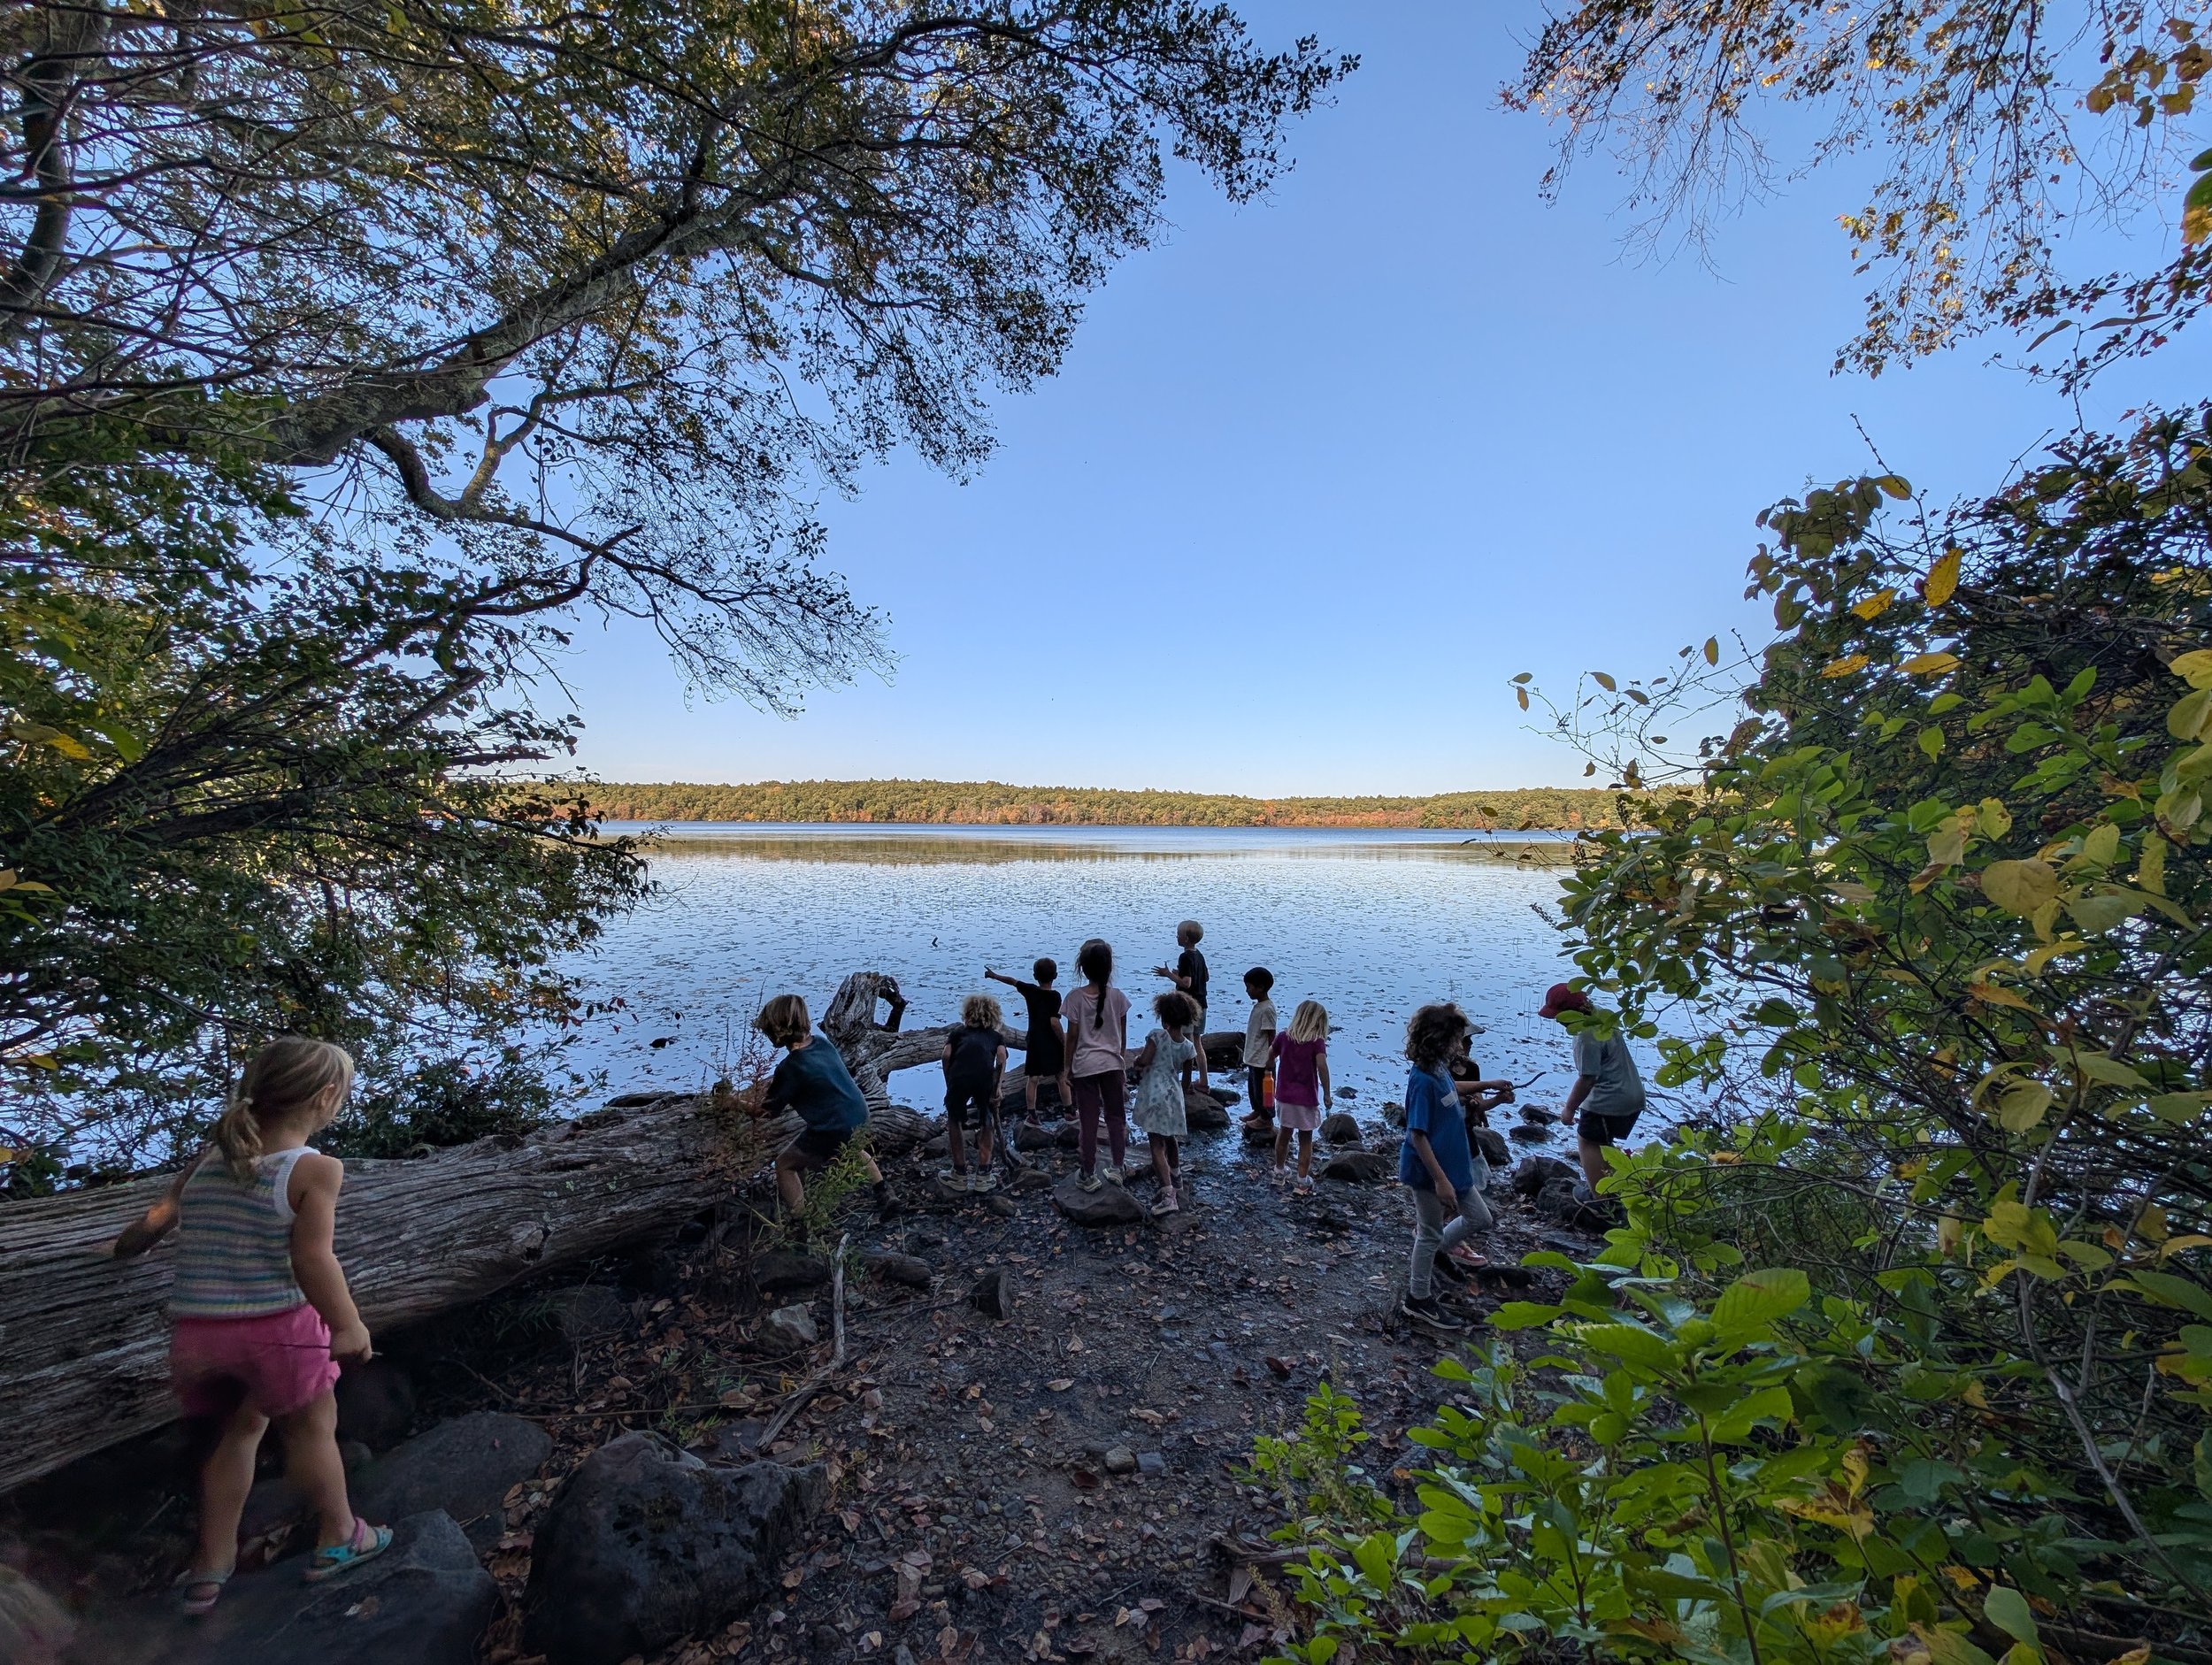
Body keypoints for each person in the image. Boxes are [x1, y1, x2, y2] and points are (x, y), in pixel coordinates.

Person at [111, 1037, 391, 1615]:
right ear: (327, 1097)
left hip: (199, 1337)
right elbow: (313, 1258)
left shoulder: (209, 1162)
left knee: (234, 1437)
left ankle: (209, 1568)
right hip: (276, 1332)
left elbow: (155, 1222)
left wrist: (125, 1244)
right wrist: (348, 1325)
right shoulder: (315, 1169)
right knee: (310, 1430)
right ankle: (340, 1535)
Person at [754, 994, 897, 1229]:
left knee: (785, 1164)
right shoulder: (821, 1043)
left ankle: (801, 1223)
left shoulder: (790, 1067)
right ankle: (884, 1191)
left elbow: (767, 1112)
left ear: (778, 1031)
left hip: (832, 1127)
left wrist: (734, 1104)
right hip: (859, 1113)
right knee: (851, 1144)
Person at [1395, 1002, 1496, 1331]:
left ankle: (1432, 1252)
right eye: (1456, 1037)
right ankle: (1418, 1299)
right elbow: (1417, 1135)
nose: (1460, 1043)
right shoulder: (1422, 1081)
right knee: (1428, 1233)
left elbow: (1455, 1090)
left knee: (1481, 1218)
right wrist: (1440, 1181)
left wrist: (1488, 1085)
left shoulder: (1440, 1069)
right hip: (1428, 1173)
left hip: (1456, 1169)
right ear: (1440, 1039)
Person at [1540, 982, 1647, 1190]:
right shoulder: (1603, 1017)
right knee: (1604, 1145)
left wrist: (1569, 1109)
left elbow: (1588, 1078)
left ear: (1571, 1014)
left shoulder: (1586, 1036)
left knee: (1588, 1140)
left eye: (1560, 1016)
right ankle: (1620, 1188)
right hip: (1633, 1094)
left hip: (1610, 1100)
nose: (1559, 1022)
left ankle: (1600, 1197)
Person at [1062, 938, 1133, 1192]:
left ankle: (1088, 1173)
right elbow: (1122, 1036)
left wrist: (1067, 1067)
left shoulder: (1075, 998)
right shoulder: (1119, 998)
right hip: (1113, 1064)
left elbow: (1072, 1037)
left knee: (1089, 1121)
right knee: (1116, 1118)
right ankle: (1117, 1167)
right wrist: (1120, 1058)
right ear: (1109, 968)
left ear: (1082, 968)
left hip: (1085, 1067)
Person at [1130, 991, 1200, 1216]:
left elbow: (1146, 1059)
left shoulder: (1157, 1036)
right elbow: (1187, 1080)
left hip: (1155, 1095)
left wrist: (1137, 1062)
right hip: (1174, 1095)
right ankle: (1177, 1176)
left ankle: (1168, 1193)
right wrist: (1185, 1089)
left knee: (1156, 1144)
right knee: (1170, 1138)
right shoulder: (1189, 1047)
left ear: (1163, 1017)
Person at [985, 959, 1069, 1125]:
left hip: (1035, 1040)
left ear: (1034, 976)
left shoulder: (1030, 990)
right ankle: (1070, 1111)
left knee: (1033, 1078)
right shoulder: (1055, 996)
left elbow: (1012, 981)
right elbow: (1054, 1022)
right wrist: (1065, 1042)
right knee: (1061, 1075)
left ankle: (1032, 1114)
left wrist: (994, 976)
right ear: (1056, 976)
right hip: (1052, 1041)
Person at [940, 993, 1010, 1193]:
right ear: (993, 1015)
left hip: (959, 1077)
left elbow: (946, 1055)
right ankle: (984, 1174)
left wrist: (949, 1080)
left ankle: (959, 1173)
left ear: (968, 1013)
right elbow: (1002, 1058)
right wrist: (998, 1087)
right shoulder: (995, 1036)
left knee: (954, 1119)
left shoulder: (958, 1033)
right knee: (986, 1119)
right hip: (984, 1079)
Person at [1270, 1000, 1333, 1194]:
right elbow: (1322, 1066)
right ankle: (1302, 1179)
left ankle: (1279, 1172)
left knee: (1284, 1133)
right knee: (1306, 1139)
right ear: (1318, 1023)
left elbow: (1269, 1057)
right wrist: (1327, 1094)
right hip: (1306, 1099)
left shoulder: (1283, 1037)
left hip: (1284, 1096)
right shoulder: (1316, 1042)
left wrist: (1268, 1075)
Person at [1152, 919, 1210, 1087]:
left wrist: (1168, 974)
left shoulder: (1185, 956)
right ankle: (1203, 1080)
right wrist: (1180, 974)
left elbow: (1186, 983)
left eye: (1178, 935)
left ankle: (1186, 1081)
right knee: (1197, 1043)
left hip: (1188, 1006)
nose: (1176, 937)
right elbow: (1205, 977)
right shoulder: (1199, 955)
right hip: (1202, 1003)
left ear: (1185, 938)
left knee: (1186, 1043)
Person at [1238, 967, 1278, 1132]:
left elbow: (1271, 1034)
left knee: (1265, 1091)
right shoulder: (1259, 1006)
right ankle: (1257, 1111)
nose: (1247, 991)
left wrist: (1271, 1057)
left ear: (1260, 988)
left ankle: (1266, 1118)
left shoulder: (1267, 1009)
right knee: (1253, 1087)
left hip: (1263, 1059)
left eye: (1249, 987)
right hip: (1254, 1057)